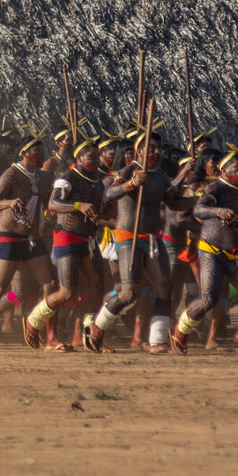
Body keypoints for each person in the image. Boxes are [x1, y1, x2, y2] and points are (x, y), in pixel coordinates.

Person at [87, 131, 175, 353]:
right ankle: (96, 329)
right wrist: (132, 184)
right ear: (139, 151)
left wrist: (192, 198)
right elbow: (108, 194)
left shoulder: (161, 176)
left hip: (153, 238)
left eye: (158, 147)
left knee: (164, 287)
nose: (155, 152)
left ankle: (158, 339)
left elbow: (175, 202)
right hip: (128, 237)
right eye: (150, 148)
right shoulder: (128, 171)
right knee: (128, 293)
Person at [170, 150, 238, 355]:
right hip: (212, 252)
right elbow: (199, 210)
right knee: (209, 300)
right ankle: (181, 330)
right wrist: (219, 212)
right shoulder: (215, 188)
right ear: (224, 170)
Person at [0, 137, 52, 351]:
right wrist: (9, 202)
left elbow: (48, 202)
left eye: (42, 151)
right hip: (10, 236)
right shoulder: (12, 174)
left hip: (32, 239)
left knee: (49, 286)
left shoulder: (42, 177)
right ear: (24, 153)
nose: (40, 155)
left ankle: (46, 334)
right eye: (35, 151)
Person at [27, 137, 105, 351]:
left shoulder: (98, 181)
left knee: (97, 289)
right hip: (67, 238)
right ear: (79, 158)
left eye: (98, 156)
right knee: (67, 293)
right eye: (91, 157)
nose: (97, 160)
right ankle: (33, 321)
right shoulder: (67, 177)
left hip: (89, 240)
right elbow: (53, 203)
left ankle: (90, 338)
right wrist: (78, 205)